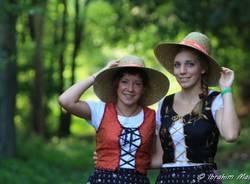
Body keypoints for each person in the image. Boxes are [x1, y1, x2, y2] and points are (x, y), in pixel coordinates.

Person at [58, 55, 169, 184]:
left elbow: (159, 157)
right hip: (103, 180)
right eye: (124, 81)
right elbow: (65, 100)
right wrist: (98, 75)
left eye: (137, 83)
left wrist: (134, 162)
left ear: (143, 88)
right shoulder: (99, 111)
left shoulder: (152, 117)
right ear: (116, 84)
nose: (130, 89)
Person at [152, 32, 241, 184]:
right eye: (177, 65)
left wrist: (226, 89)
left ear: (203, 68)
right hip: (167, 180)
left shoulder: (215, 100)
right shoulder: (164, 103)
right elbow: (159, 158)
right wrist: (111, 158)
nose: (182, 71)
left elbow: (231, 134)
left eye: (190, 64)